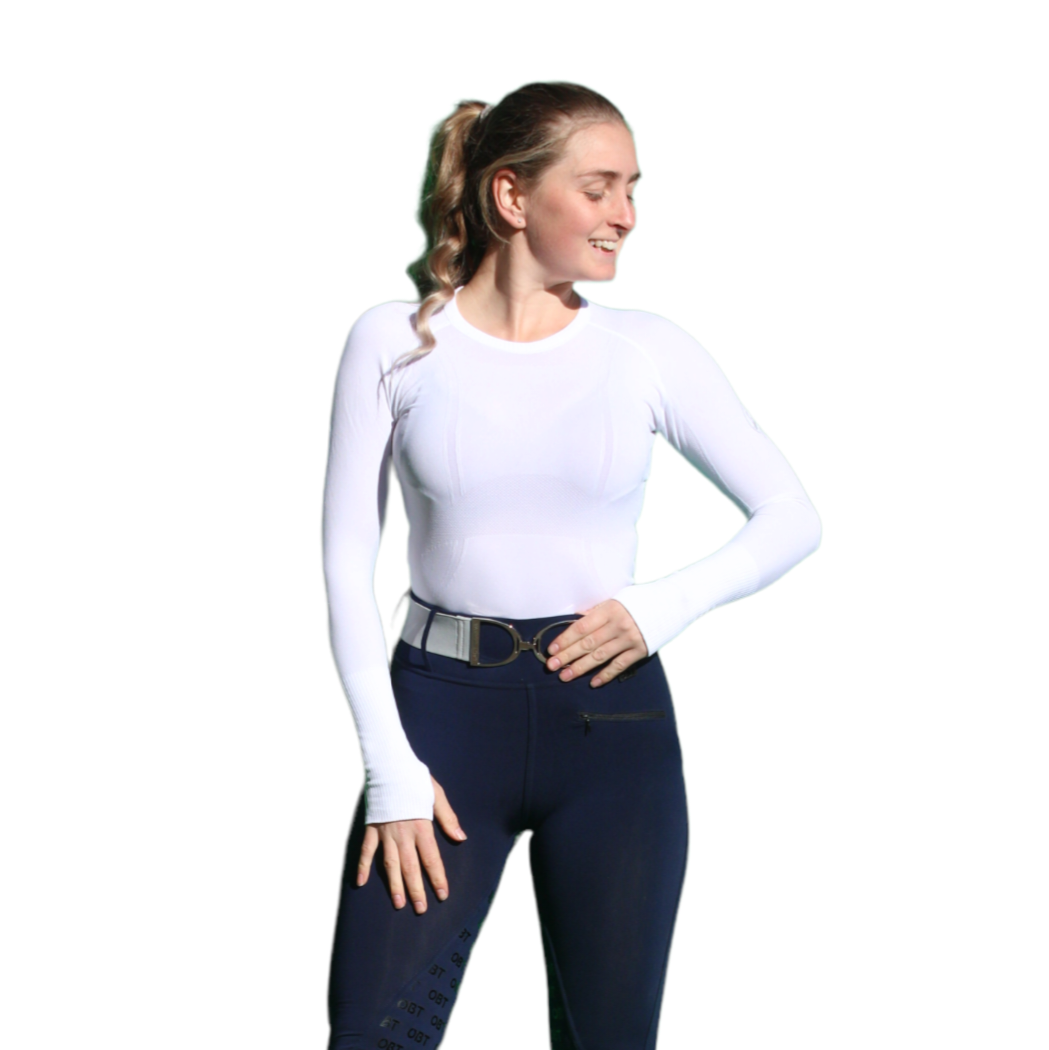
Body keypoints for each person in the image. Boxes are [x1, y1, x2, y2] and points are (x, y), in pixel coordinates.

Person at [321, 81, 821, 1050]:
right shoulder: (394, 341)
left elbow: (792, 516)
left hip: (611, 728)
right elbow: (347, 564)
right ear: (511, 196)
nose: (624, 214)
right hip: (437, 724)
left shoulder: (645, 351)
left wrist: (659, 608)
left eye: (631, 188)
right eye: (597, 189)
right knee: (372, 1037)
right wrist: (389, 769)